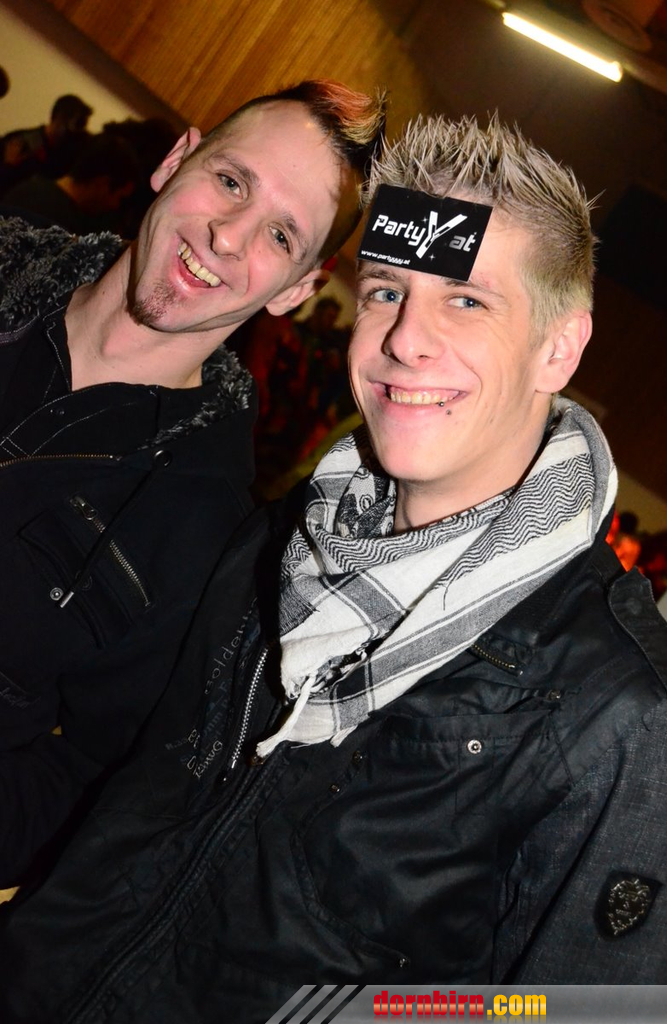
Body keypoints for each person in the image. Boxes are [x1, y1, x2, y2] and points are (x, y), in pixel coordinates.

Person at [2, 113, 667, 1023]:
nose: (405, 339)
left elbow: (586, 1013)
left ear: (558, 348)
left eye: (466, 302)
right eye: (387, 290)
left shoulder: (623, 715)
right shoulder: (274, 550)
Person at [0, 78, 386, 886]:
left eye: (280, 234)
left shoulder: (201, 534)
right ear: (176, 159)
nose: (226, 236)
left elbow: (90, 778)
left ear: (297, 290)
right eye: (232, 181)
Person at [1, 132, 139, 234]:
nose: (115, 205)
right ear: (102, 183)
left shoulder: (29, 188)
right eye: (119, 198)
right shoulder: (58, 224)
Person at [0, 94, 92, 196]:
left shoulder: (70, 154)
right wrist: (9, 167)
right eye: (77, 124)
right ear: (59, 117)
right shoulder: (20, 141)